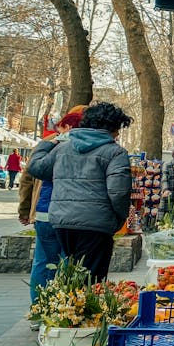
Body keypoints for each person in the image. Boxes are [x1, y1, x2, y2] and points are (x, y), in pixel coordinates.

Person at [27, 102, 133, 281]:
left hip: (62, 221)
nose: (118, 134)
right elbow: (119, 192)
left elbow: (37, 167)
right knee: (91, 281)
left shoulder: (62, 148)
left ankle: (64, 307)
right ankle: (83, 308)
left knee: (71, 275)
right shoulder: (115, 152)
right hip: (96, 224)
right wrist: (120, 218)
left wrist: (48, 144)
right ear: (111, 128)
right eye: (118, 129)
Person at [18, 111, 84, 309]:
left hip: (44, 212)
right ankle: (60, 309)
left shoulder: (46, 146)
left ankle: (39, 309)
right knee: (67, 262)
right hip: (71, 214)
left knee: (42, 261)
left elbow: (28, 178)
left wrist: (25, 209)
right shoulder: (82, 147)